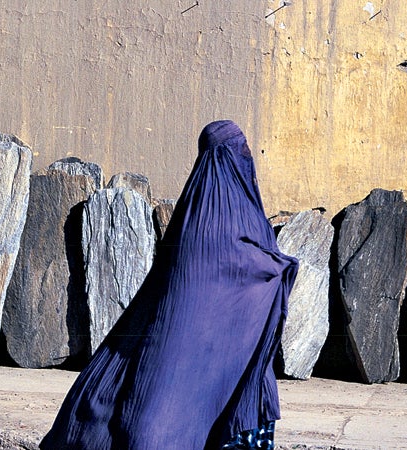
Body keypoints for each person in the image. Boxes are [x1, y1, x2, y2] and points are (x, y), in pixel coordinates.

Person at [39, 120, 299, 449]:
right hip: (197, 352)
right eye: (240, 151)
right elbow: (240, 269)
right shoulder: (212, 221)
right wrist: (280, 268)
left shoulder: (192, 215)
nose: (246, 157)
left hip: (217, 355)